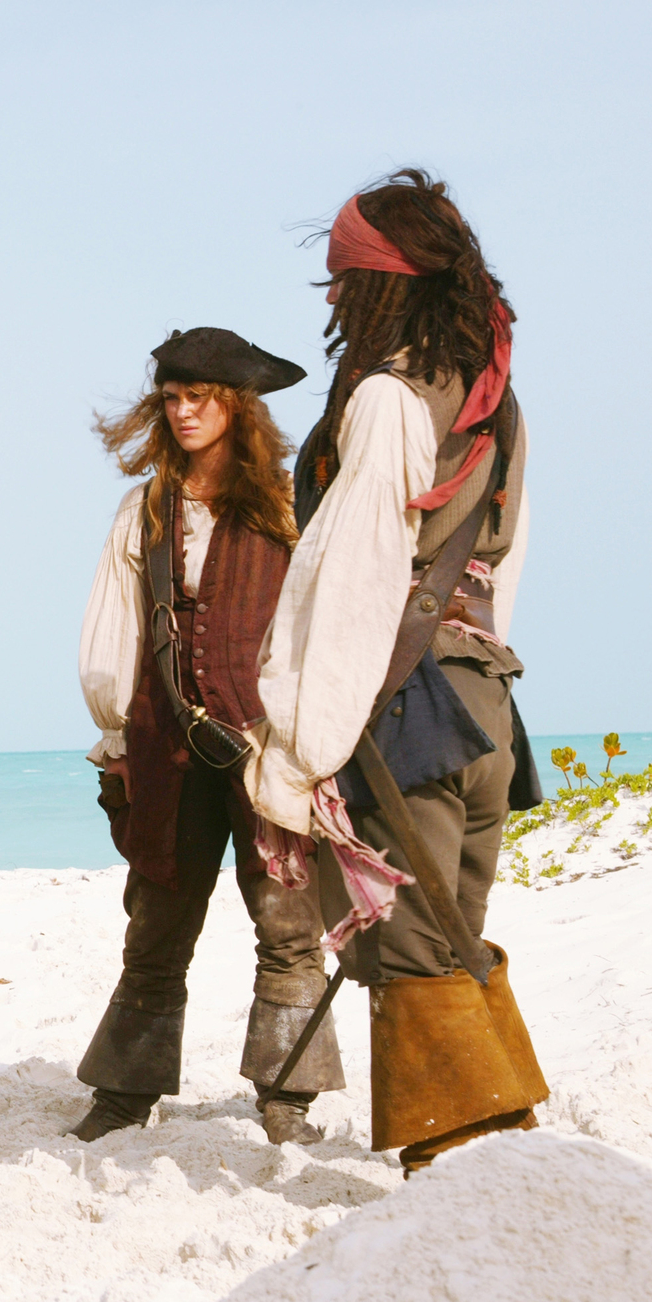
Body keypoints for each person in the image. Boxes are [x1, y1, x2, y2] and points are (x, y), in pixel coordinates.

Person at [247, 169, 547, 1174]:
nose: (331, 300)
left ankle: (456, 1163)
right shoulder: (493, 396)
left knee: (416, 947)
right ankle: (497, 1154)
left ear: (383, 284)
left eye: (340, 279)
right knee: (455, 931)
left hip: (406, 703)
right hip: (483, 698)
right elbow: (500, 567)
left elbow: (355, 577)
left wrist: (299, 747)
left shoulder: (381, 398)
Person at [71, 328, 342, 1145]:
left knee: (287, 925)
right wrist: (117, 733)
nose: (184, 412)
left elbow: (324, 629)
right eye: (173, 398)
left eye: (202, 398)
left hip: (268, 743)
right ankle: (124, 1093)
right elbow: (114, 630)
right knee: (157, 920)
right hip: (164, 741)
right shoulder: (145, 509)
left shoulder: (294, 504)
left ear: (237, 407)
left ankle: (287, 1100)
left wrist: (314, 741)